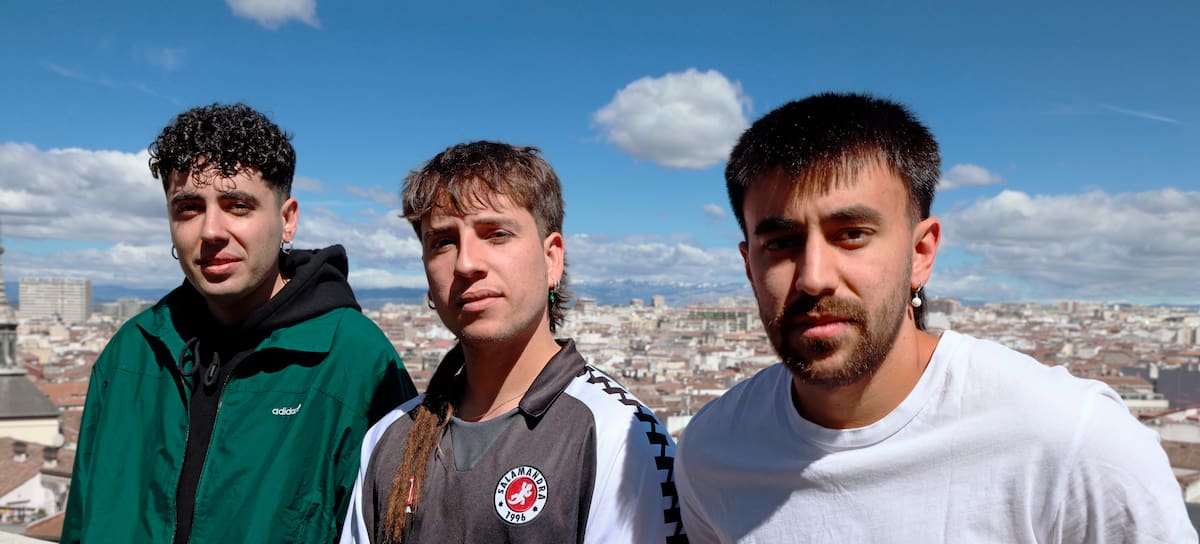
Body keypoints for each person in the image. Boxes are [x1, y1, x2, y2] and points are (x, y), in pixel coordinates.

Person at [675, 93, 1196, 543]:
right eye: (782, 243)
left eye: (851, 233)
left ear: (921, 253)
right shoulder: (711, 452)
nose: (814, 277)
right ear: (749, 265)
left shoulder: (1074, 443)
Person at [62, 103, 418, 543]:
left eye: (237, 206)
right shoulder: (131, 353)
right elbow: (80, 522)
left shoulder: (354, 360)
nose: (211, 230)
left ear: (287, 219)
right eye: (189, 208)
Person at [339, 141, 687, 543]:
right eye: (442, 242)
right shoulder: (388, 440)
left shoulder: (619, 435)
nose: (467, 263)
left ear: (552, 257)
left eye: (497, 234)